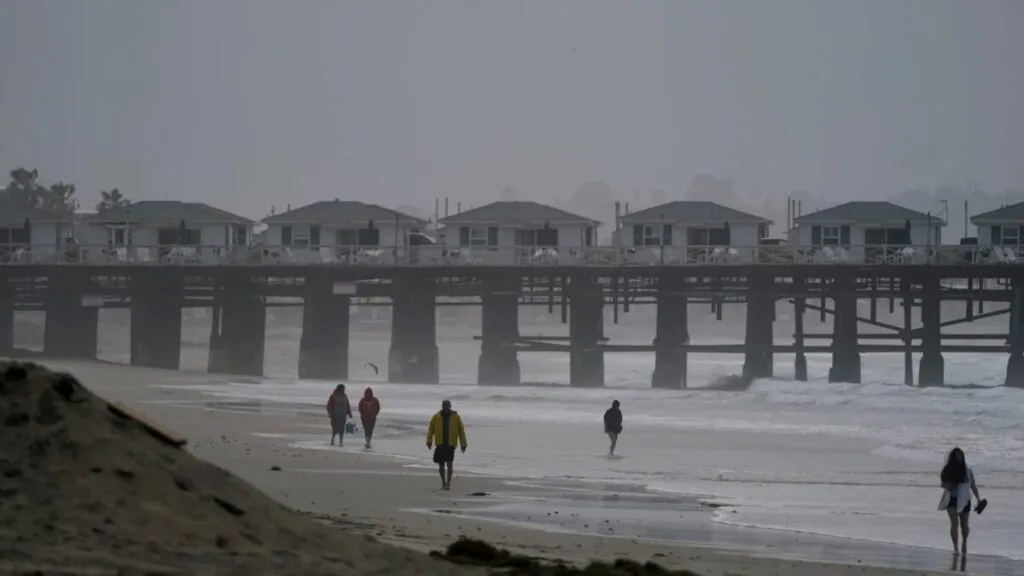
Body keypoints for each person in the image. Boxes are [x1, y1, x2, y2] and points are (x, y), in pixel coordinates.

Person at [938, 447, 982, 555]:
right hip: (951, 499)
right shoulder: (948, 469)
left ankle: (964, 543)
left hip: (965, 499)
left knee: (964, 526)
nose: (959, 457)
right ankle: (955, 548)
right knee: (954, 523)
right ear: (953, 457)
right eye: (957, 455)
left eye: (960, 455)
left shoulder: (967, 470)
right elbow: (943, 484)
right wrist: (948, 485)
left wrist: (978, 499)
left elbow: (973, 485)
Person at [426, 400, 467, 491]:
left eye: (447, 405)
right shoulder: (436, 417)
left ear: (450, 406)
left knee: (449, 464)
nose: (446, 407)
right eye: (444, 405)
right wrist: (429, 441)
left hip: (450, 444)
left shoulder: (456, 417)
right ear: (442, 406)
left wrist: (463, 444)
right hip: (440, 443)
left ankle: (448, 483)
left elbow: (461, 431)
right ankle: (443, 482)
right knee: (441, 465)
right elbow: (431, 430)